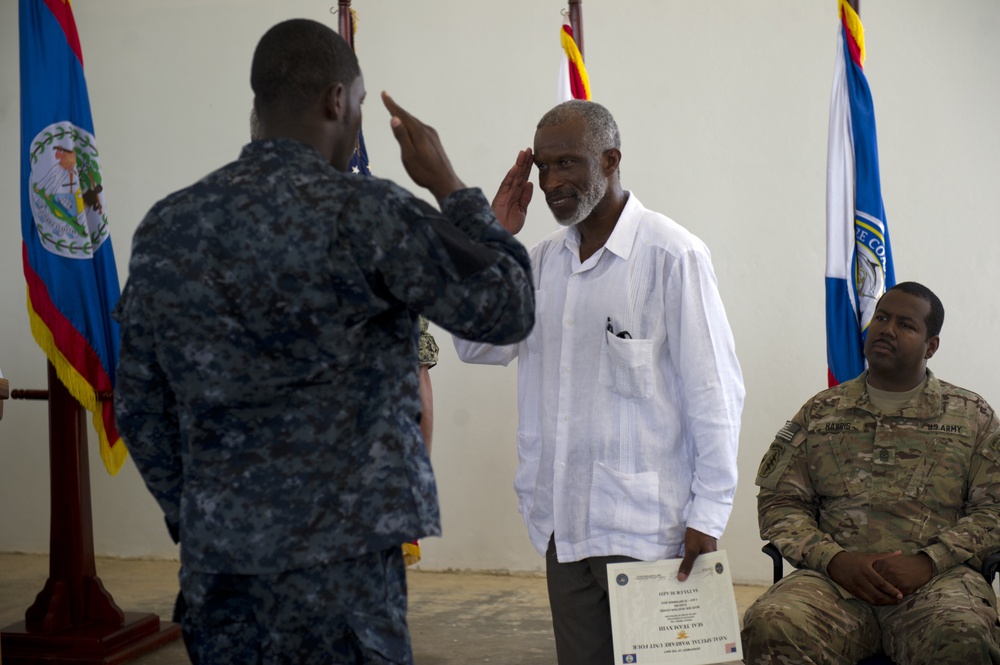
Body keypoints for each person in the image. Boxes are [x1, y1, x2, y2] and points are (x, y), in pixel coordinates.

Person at [114, 18, 534, 665]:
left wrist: (202, 514)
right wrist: (452, 185)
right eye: (361, 104)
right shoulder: (365, 214)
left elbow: (138, 406)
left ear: (257, 106)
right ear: (338, 101)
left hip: (221, 573)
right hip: (343, 582)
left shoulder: (167, 226)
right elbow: (508, 308)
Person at [453, 100, 745, 665]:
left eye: (567, 164)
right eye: (542, 167)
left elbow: (716, 392)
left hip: (650, 533)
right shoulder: (538, 264)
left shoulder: (671, 254)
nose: (552, 182)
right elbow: (475, 345)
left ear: (610, 161)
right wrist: (491, 239)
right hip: (564, 527)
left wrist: (708, 515)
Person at [741, 282, 1000, 664]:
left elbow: (993, 511)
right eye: (881, 317)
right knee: (770, 622)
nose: (887, 329)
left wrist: (928, 561)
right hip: (834, 584)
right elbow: (781, 502)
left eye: (906, 324)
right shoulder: (821, 411)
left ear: (931, 346)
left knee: (964, 634)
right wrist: (833, 559)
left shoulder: (971, 415)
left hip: (937, 583)